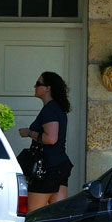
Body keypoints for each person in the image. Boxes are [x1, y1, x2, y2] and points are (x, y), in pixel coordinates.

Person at [19, 71, 74, 211]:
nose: (34, 86)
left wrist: (29, 133)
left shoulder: (50, 110)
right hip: (59, 166)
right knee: (57, 216)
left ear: (48, 88)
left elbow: (51, 138)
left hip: (46, 169)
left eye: (38, 84)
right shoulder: (57, 109)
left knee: (34, 215)